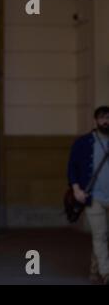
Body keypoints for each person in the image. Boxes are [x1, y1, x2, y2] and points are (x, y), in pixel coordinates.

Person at [68, 105, 109, 284]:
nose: (106, 121)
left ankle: (94, 269)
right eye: (102, 118)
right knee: (100, 235)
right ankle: (106, 273)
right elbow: (72, 167)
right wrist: (76, 189)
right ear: (95, 121)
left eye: (108, 118)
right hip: (94, 197)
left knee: (103, 235)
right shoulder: (83, 142)